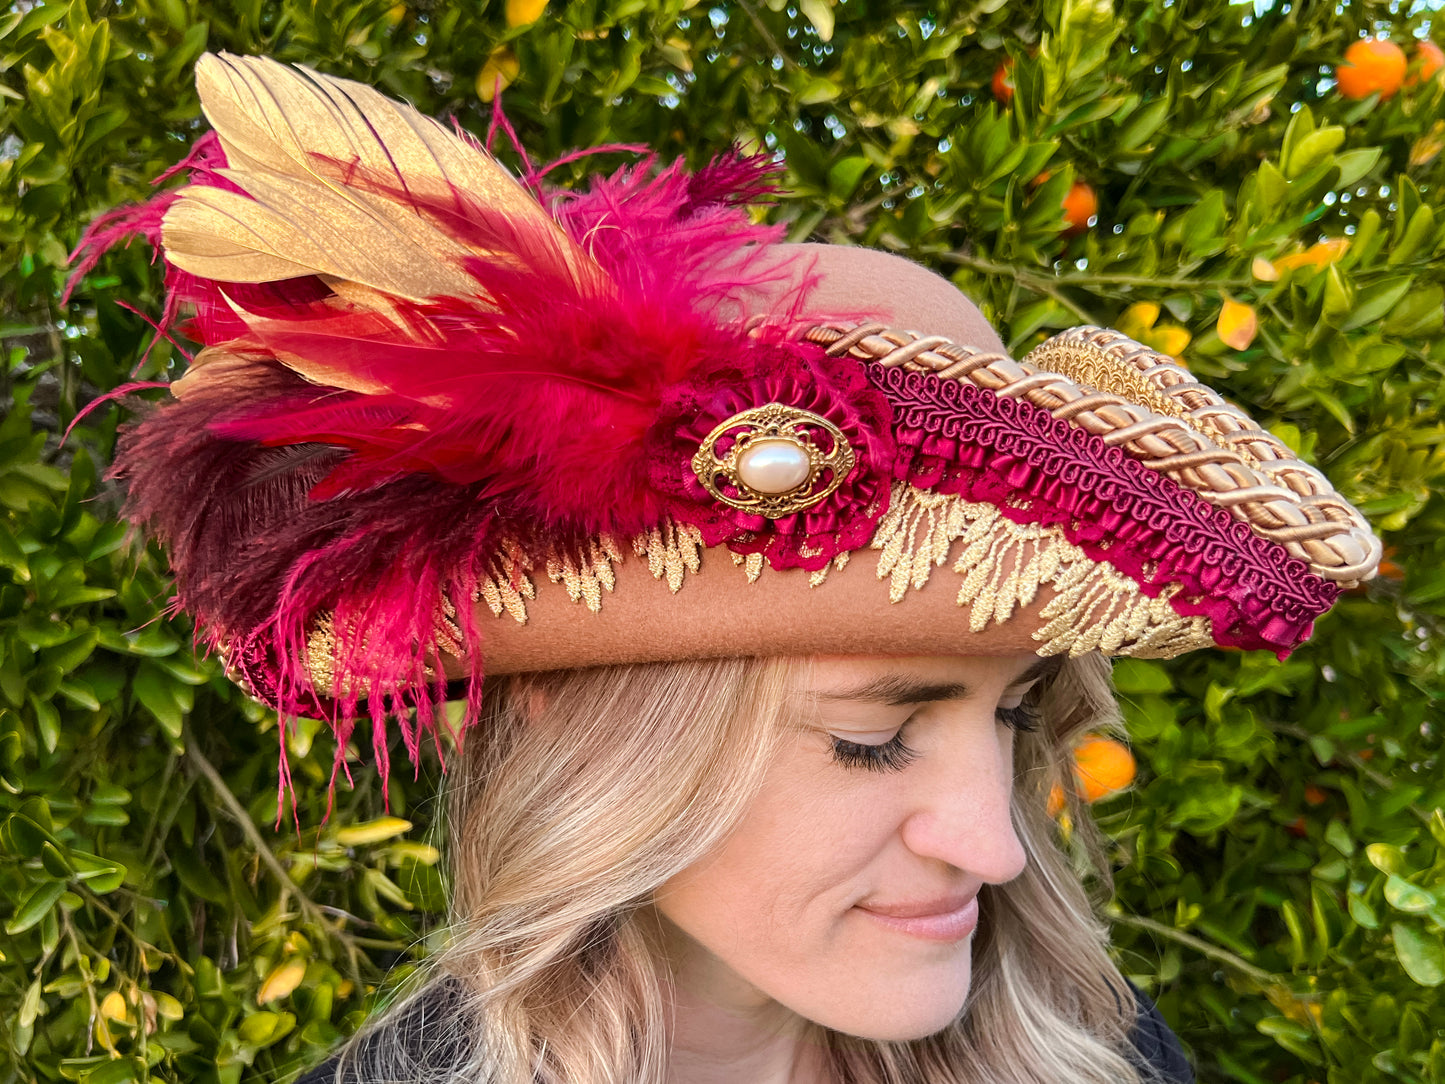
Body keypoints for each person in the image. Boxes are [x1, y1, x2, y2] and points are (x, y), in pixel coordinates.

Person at [83, 52, 1380, 1084]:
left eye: (1016, 711)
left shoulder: (1088, 1045)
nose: (992, 844)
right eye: (873, 737)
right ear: (574, 708)